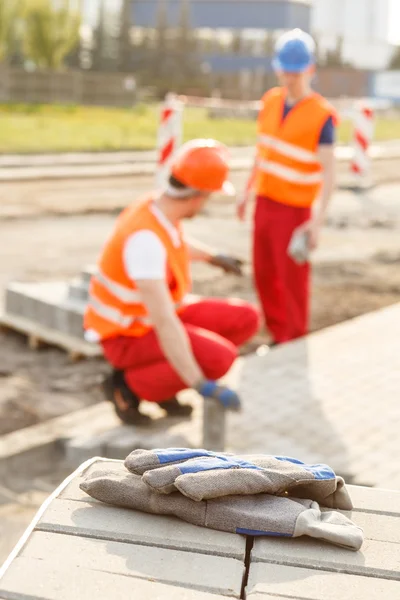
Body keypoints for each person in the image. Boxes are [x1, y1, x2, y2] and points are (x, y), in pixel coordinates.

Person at [84, 139, 260, 425]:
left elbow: (174, 242)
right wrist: (198, 383)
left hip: (145, 323)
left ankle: (163, 382)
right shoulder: (145, 241)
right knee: (219, 359)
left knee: (245, 319)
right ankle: (127, 386)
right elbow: (165, 322)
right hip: (126, 335)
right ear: (199, 195)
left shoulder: (158, 209)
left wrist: (213, 257)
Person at [238, 29, 338, 345]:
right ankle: (278, 335)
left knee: (292, 280)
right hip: (264, 203)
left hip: (295, 212)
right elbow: (262, 152)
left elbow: (330, 175)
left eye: (295, 71)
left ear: (310, 69)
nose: (289, 77)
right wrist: (246, 190)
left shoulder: (322, 116)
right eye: (285, 70)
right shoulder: (270, 101)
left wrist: (317, 222)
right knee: (264, 274)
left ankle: (294, 338)